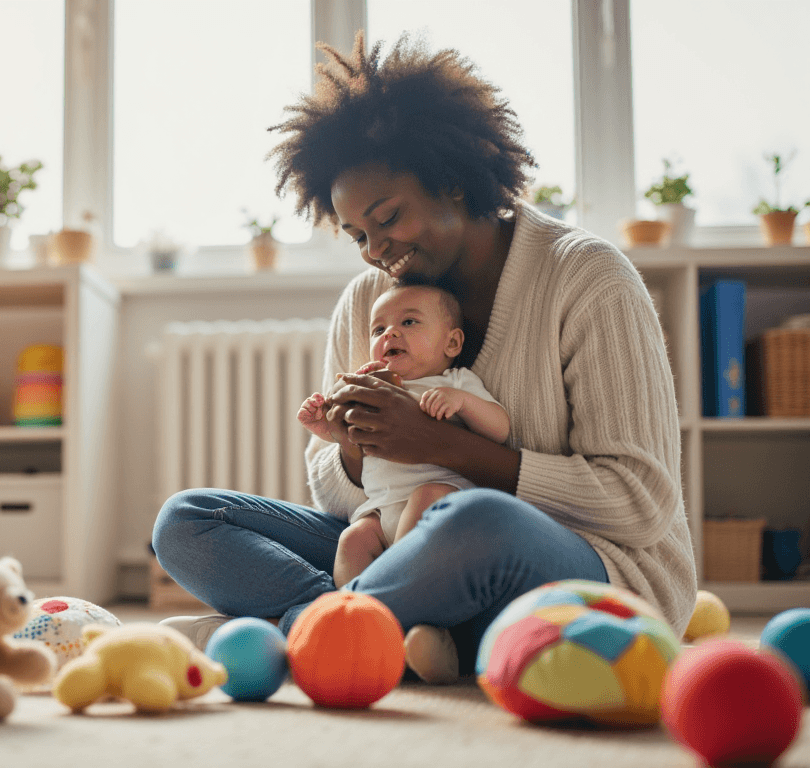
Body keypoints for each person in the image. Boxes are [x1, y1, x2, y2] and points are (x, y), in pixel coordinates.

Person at [151, 30, 696, 685]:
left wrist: (439, 443)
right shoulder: (366, 302)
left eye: (388, 218)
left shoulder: (586, 278)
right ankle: (394, 632)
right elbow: (336, 496)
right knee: (186, 519)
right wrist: (355, 443)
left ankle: (294, 634)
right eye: (357, 234)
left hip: (589, 566)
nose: (375, 250)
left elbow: (639, 504)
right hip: (402, 546)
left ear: (453, 182)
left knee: (474, 521)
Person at [298, 284, 509, 588]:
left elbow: (501, 428)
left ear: (451, 343)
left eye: (408, 322)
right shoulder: (370, 386)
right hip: (381, 510)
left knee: (428, 495)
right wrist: (329, 428)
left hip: (437, 505)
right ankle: (354, 612)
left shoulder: (455, 382)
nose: (390, 334)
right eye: (378, 329)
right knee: (352, 539)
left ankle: (400, 590)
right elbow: (350, 438)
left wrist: (463, 402)